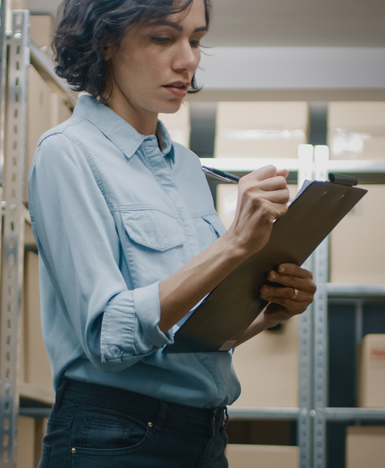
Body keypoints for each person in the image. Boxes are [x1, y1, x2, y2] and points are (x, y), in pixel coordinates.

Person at [27, 0, 316, 466]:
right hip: (114, 436)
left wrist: (269, 312)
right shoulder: (67, 154)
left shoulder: (185, 165)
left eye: (196, 40)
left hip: (204, 435)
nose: (188, 60)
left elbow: (188, 338)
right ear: (105, 42)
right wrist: (233, 245)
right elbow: (108, 336)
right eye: (163, 38)